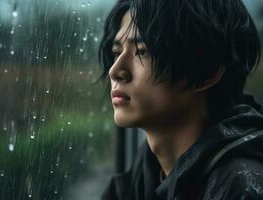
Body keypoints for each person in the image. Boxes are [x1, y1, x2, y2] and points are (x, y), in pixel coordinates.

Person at [98, 0, 263, 199]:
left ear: (207, 72)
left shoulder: (241, 187)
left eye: (142, 52)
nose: (115, 71)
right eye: (116, 53)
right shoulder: (146, 171)